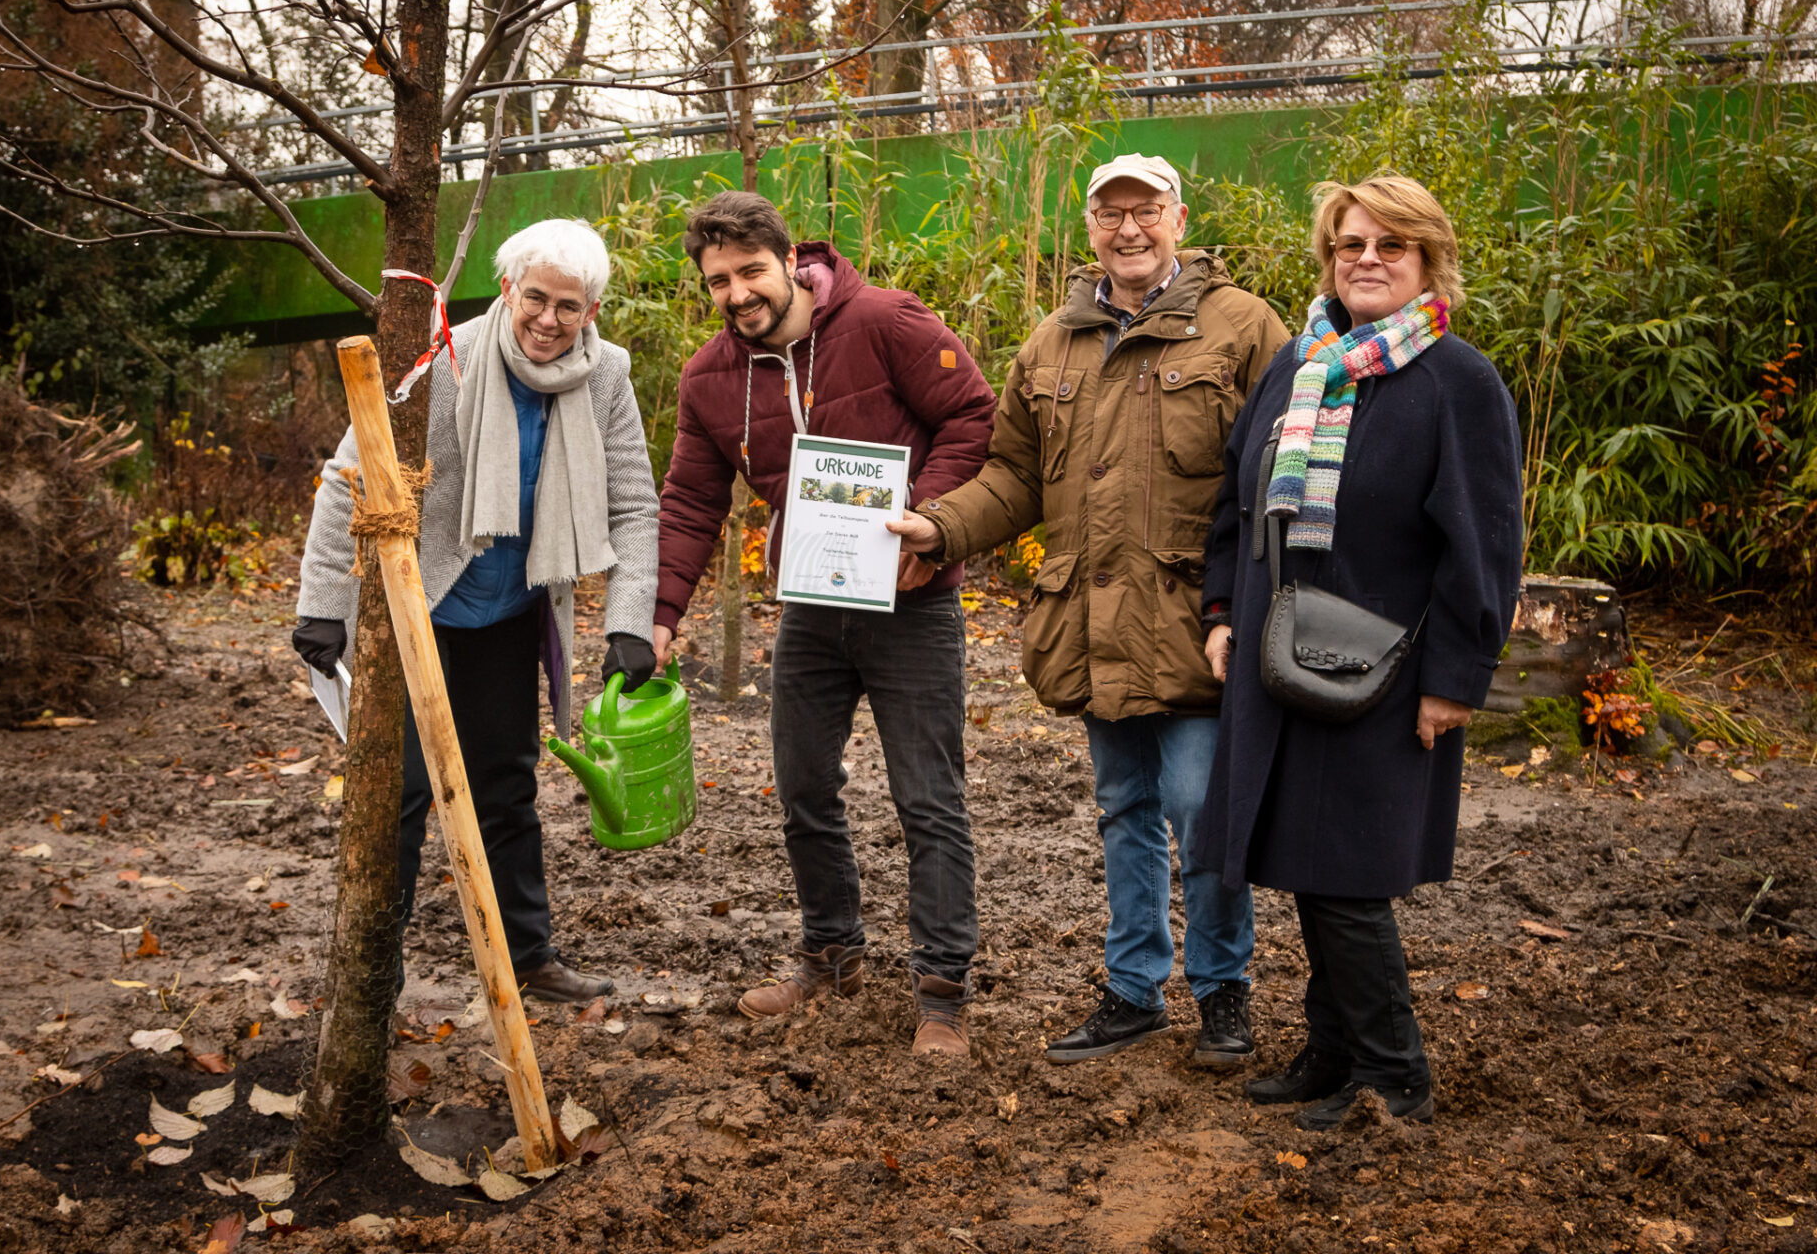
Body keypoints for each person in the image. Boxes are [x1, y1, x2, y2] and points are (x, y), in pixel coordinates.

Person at [890, 153, 1289, 1065]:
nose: (1129, 230)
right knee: (1124, 806)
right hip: (1094, 624)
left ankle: (1224, 990)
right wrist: (939, 527)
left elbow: (1282, 468)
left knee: (1199, 805)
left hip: (1199, 618)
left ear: (1178, 219)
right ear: (1091, 229)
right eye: (1111, 215)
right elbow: (1016, 475)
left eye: (1145, 211)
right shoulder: (1054, 342)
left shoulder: (1241, 327)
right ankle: (1134, 988)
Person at [1195, 176, 1524, 1129]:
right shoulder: (1300, 366)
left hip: (1384, 670)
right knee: (1308, 861)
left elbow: (1485, 543)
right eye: (1348, 244)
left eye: (1389, 245)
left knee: (1347, 876)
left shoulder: (1456, 380)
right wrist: (1221, 607)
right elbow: (1236, 498)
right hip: (1278, 654)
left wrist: (1457, 679)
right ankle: (1332, 1054)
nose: (1366, 260)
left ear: (1427, 260)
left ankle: (1394, 1076)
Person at [652, 191, 995, 1056]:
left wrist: (931, 517)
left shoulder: (884, 321)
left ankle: (942, 993)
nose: (737, 294)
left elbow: (974, 417)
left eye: (750, 272)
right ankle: (832, 951)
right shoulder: (709, 379)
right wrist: (657, 618)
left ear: (787, 260)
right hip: (811, 604)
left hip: (911, 600)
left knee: (928, 796)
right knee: (803, 786)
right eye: (718, 281)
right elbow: (692, 501)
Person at [291, 219, 660, 1004]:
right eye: (537, 298)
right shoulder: (442, 360)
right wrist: (324, 605)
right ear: (506, 289)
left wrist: (631, 618)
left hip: (511, 611)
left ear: (591, 310)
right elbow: (344, 477)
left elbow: (633, 505)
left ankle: (530, 959)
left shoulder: (606, 376)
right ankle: (370, 979)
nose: (550, 320)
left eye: (571, 305)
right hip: (418, 609)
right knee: (401, 794)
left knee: (505, 786)